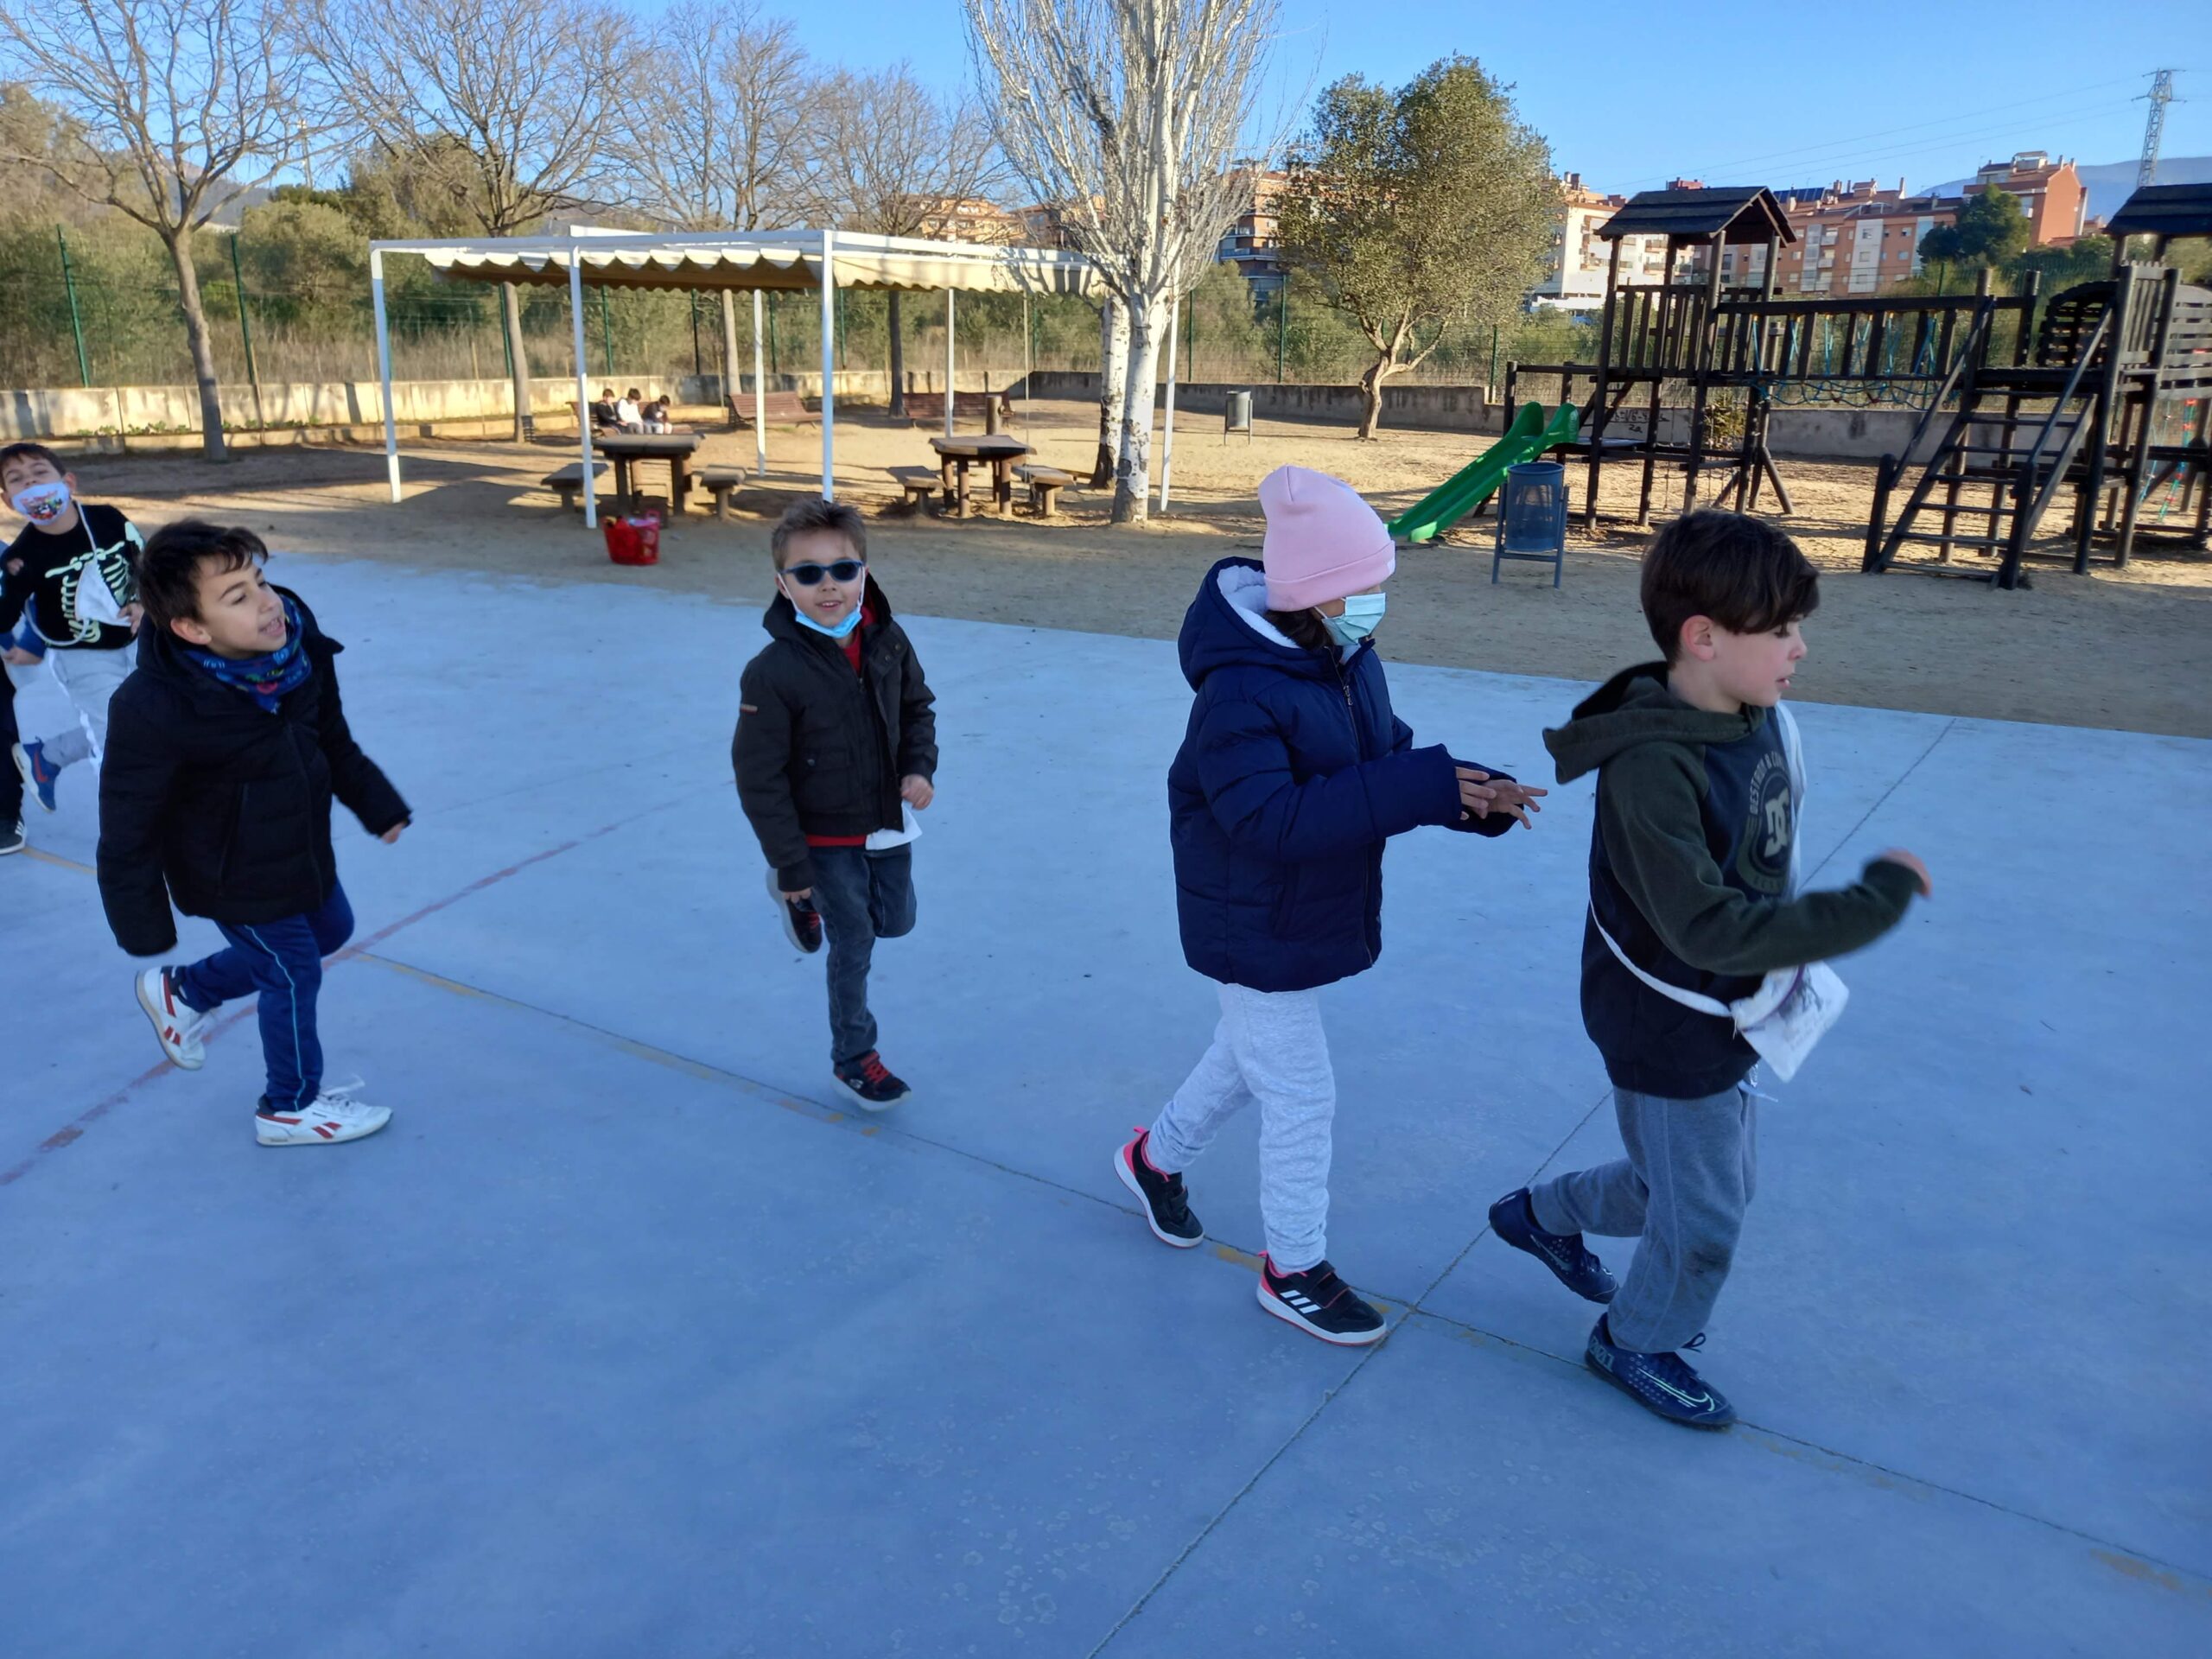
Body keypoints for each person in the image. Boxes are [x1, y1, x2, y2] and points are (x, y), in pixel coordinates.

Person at [1487, 510, 1932, 1428]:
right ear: (1703, 638)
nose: (1800, 648)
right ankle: (1633, 1340)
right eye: (1781, 630)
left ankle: (1541, 1216)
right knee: (1705, 1215)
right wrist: (1868, 906)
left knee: (1687, 1188)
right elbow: (1705, 926)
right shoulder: (1653, 767)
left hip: (1732, 1004)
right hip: (1668, 1019)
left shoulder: (1753, 717)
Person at [1115, 466, 1545, 1346]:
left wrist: (1467, 793)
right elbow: (1270, 820)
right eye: (1364, 586)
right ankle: (1294, 1269)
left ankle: (1153, 1159)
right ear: (1313, 594)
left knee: (1245, 1058)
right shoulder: (1238, 693)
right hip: (1247, 917)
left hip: (1297, 911)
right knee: (1301, 1092)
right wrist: (1419, 787)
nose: (1377, 602)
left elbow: (1383, 760)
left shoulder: (1346, 660)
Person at [98, 521, 411, 1147]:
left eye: (260, 581)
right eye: (237, 597)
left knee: (331, 929)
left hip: (297, 844)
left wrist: (378, 804)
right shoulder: (152, 706)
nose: (267, 602)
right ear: (192, 628)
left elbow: (331, 738)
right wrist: (143, 925)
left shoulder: (299, 648)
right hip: (225, 871)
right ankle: (288, 1107)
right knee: (292, 972)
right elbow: (128, 824)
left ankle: (187, 990)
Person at [733, 499, 938, 1111]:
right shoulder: (773, 672)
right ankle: (853, 1058)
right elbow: (759, 776)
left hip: (887, 822)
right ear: (783, 585)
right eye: (808, 573)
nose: (828, 585)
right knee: (856, 944)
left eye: (843, 570)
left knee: (896, 921)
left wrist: (918, 768)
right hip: (821, 839)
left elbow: (917, 709)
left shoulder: (888, 641)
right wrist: (792, 863)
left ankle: (804, 901)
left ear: (863, 574)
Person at [2, 442, 145, 813]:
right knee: (114, 738)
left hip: (138, 636)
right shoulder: (20, 557)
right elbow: (7, 614)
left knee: (155, 716)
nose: (31, 483)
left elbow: (145, 561)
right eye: (17, 480)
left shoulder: (108, 519)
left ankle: (47, 757)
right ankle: (130, 824)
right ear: (8, 501)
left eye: (39, 473)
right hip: (81, 656)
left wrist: (143, 600)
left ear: (68, 482)